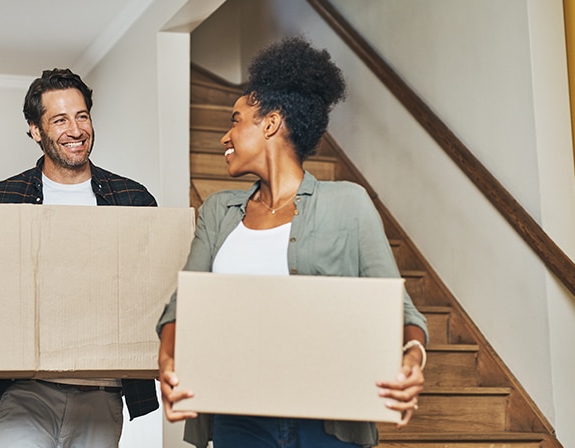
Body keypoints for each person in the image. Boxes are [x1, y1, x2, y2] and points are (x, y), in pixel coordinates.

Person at [156, 37, 428, 448]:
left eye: (236, 120)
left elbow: (401, 311)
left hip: (330, 426)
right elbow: (183, 306)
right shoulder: (217, 211)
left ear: (270, 123)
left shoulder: (348, 204)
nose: (224, 137)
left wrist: (412, 358)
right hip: (238, 421)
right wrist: (169, 362)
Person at [0, 68, 159, 448]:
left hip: (103, 392)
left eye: (82, 116)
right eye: (59, 119)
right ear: (35, 130)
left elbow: (155, 290)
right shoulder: (2, 198)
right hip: (24, 390)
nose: (75, 130)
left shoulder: (133, 199)